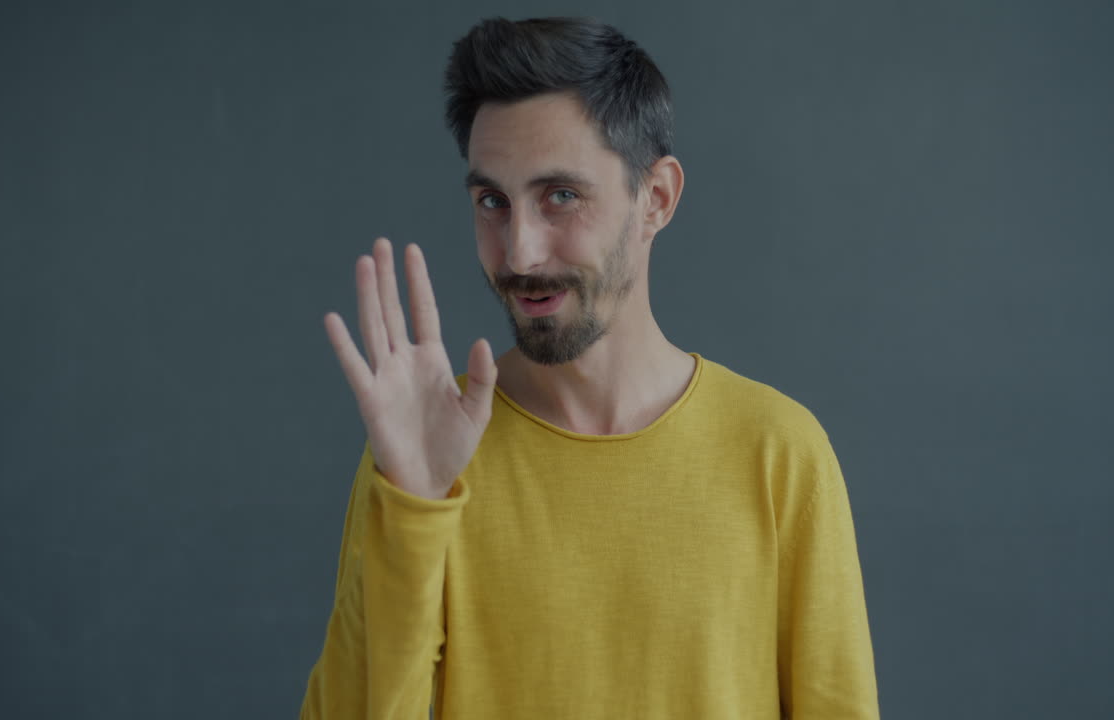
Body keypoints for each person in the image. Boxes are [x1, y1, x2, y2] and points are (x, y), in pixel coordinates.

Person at [300, 16, 879, 720]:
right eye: (492, 202)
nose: (519, 253)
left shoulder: (780, 454)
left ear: (656, 199)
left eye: (561, 196)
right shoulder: (425, 453)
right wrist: (414, 510)